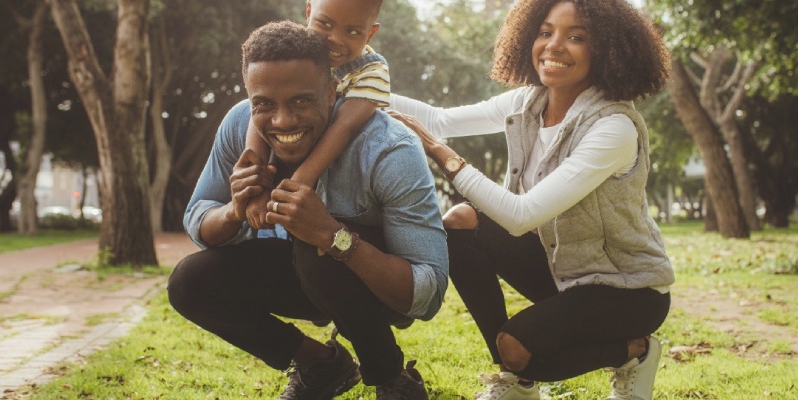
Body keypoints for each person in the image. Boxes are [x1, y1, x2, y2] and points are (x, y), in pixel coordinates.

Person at [388, 0, 674, 399]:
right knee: (460, 222)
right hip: (564, 269)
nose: (554, 45)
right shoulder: (527, 103)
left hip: (627, 292)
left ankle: (634, 350)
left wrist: (446, 158)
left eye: (576, 37)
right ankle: (515, 381)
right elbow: (438, 120)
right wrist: (354, 86)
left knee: (519, 348)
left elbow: (521, 216)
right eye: (545, 32)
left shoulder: (613, 128)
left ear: (607, 49)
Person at [167, 20, 448, 400]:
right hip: (302, 274)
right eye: (264, 105)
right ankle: (321, 364)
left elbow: (427, 295)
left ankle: (393, 380)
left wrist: (334, 237)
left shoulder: (389, 148)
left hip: (377, 287)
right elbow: (198, 219)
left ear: (332, 92)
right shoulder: (238, 125)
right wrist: (235, 210)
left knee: (317, 251)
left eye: (301, 100)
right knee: (190, 281)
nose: (282, 121)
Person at [243, 0, 391, 232]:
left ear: (370, 33)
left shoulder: (371, 72)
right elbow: (260, 113)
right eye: (325, 24)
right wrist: (256, 188)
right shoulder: (291, 53)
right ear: (309, 11)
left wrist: (299, 183)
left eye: (352, 31)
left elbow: (344, 126)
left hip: (340, 173)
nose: (335, 39)